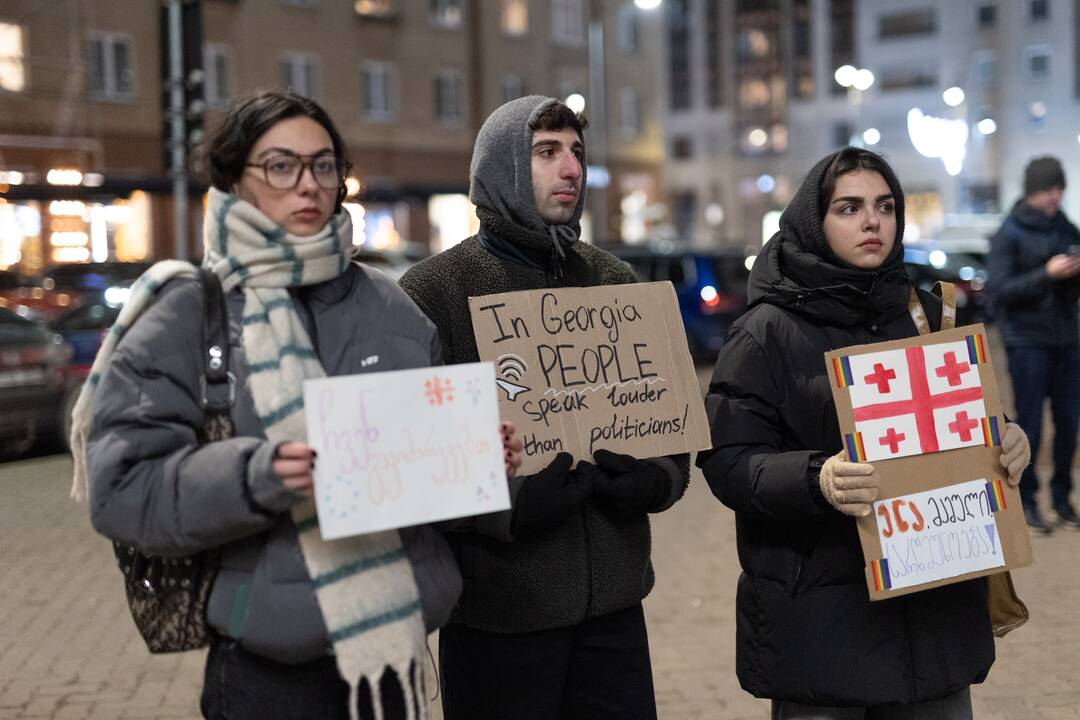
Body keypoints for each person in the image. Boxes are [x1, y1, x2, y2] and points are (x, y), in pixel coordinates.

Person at [71, 90, 520, 720]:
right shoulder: (188, 314)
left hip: (395, 664)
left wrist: (479, 460)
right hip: (265, 675)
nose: (307, 185)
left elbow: (423, 473)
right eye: (281, 166)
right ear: (236, 182)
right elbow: (122, 487)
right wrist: (254, 476)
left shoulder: (391, 307)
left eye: (324, 165)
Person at [697, 147, 1031, 719]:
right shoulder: (767, 332)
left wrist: (1005, 442)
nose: (872, 221)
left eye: (884, 206)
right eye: (849, 208)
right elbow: (729, 461)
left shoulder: (930, 317)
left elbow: (963, 434)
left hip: (935, 629)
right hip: (825, 633)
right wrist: (814, 479)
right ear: (814, 221)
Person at [399, 95, 689, 720]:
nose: (571, 171)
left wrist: (650, 479)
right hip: (499, 617)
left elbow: (672, 437)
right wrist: (509, 505)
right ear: (502, 167)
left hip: (612, 609)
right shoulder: (433, 292)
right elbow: (413, 466)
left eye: (577, 153)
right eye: (546, 152)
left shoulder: (616, 283)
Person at [988, 155, 1080, 533]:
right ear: (1031, 192)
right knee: (1030, 427)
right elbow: (999, 292)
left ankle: (1062, 496)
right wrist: (1046, 273)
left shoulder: (1065, 227)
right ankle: (1027, 500)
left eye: (1059, 189)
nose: (1055, 197)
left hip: (1067, 339)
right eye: (1048, 190)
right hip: (1025, 341)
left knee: (1069, 423)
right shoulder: (1008, 233)